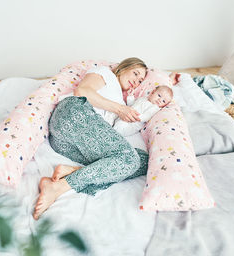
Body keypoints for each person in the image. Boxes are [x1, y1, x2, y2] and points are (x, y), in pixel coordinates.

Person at [33, 58, 174, 220]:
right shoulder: (105, 73)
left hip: (67, 144)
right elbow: (83, 91)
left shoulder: (123, 100)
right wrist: (121, 109)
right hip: (73, 114)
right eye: (135, 73)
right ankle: (59, 187)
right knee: (129, 159)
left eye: (140, 80)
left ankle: (72, 172)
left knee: (144, 161)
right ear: (123, 68)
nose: (137, 81)